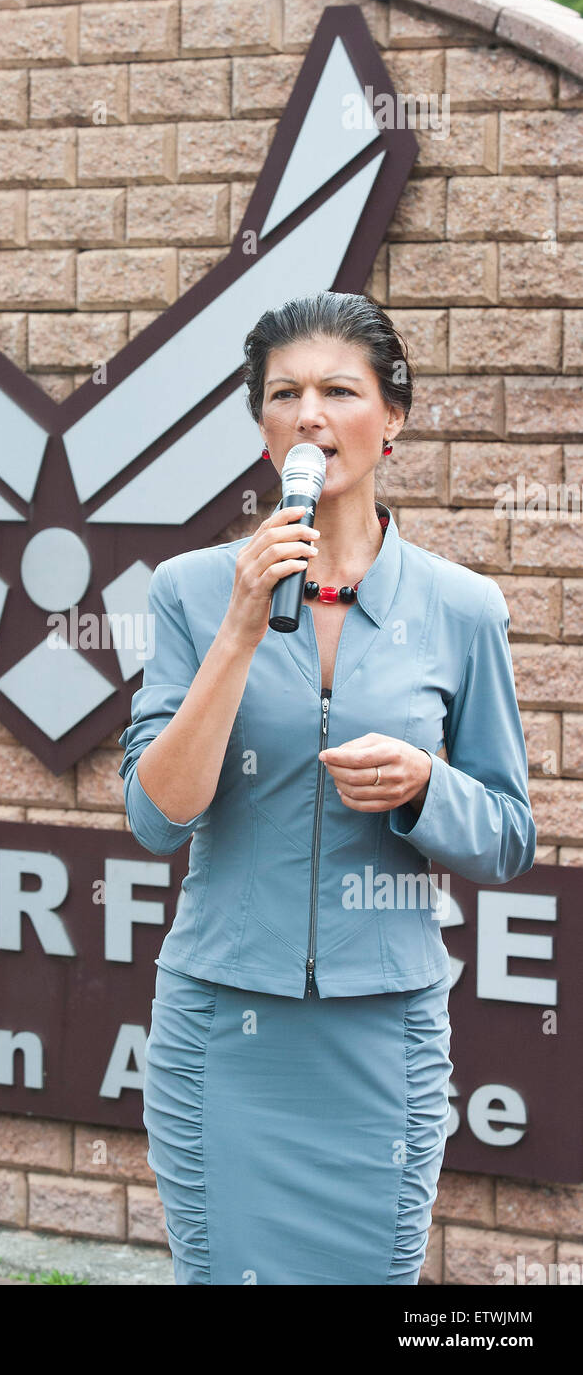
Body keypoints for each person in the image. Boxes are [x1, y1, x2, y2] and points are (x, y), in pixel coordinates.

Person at [117, 290, 536, 1286]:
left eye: (337, 390)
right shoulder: (189, 591)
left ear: (390, 418)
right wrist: (239, 628)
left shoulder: (460, 608)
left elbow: (508, 835)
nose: (307, 413)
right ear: (262, 429)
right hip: (222, 1019)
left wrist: (424, 785)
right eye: (283, 394)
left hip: (380, 1027)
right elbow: (152, 815)